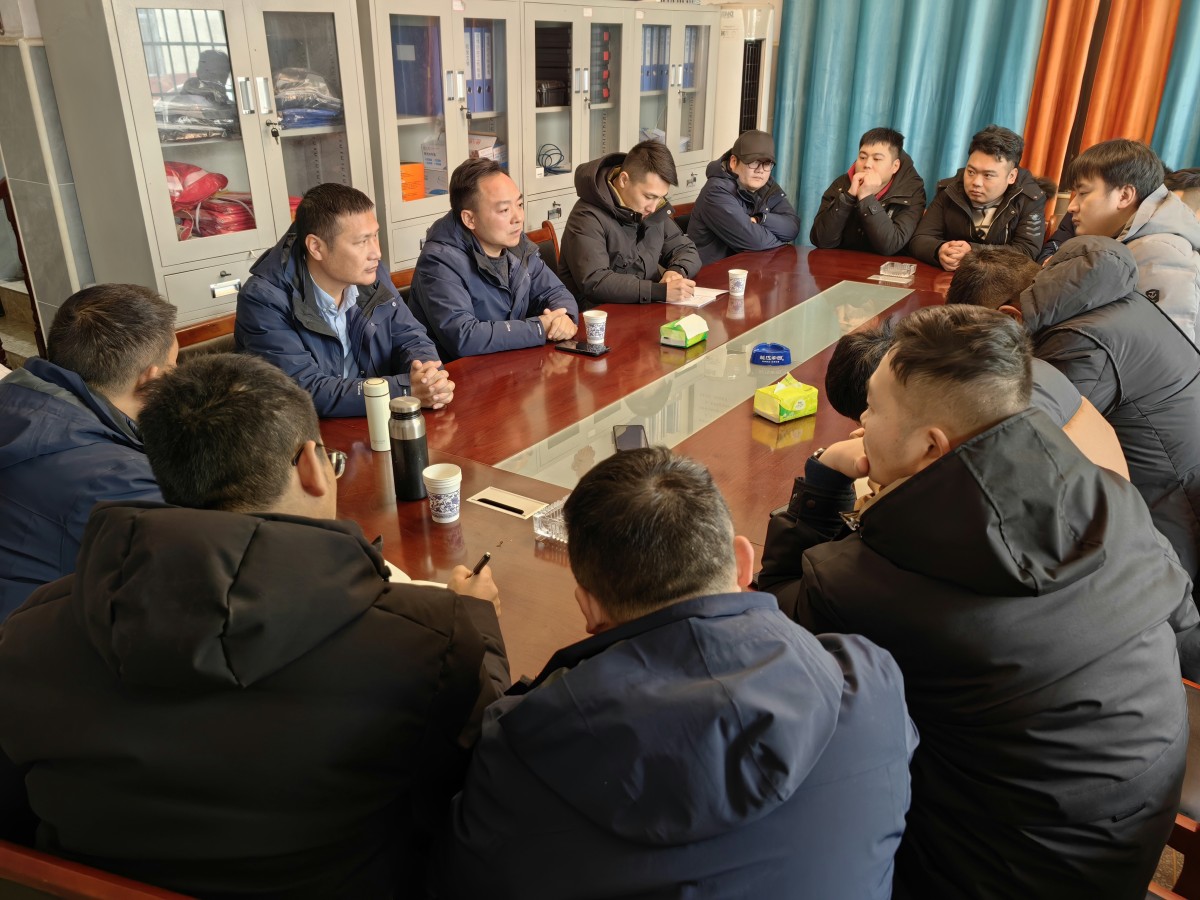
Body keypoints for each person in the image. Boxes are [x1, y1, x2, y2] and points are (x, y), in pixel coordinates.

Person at [0, 353, 508, 898]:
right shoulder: (425, 641)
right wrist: (476, 621)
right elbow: (487, 778)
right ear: (311, 466)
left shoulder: (30, 632)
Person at [758, 304, 1194, 899]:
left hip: (986, 877)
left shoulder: (869, 582)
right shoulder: (1109, 499)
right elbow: (1182, 615)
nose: (861, 419)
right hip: (1127, 847)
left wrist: (823, 482)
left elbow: (774, 628)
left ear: (931, 446)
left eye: (875, 407)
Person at [440, 447, 916, 900]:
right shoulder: (870, 682)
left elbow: (462, 876)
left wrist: (472, 630)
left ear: (588, 606)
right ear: (744, 562)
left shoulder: (530, 747)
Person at [947, 238, 1200, 670]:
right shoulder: (1096, 296)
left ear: (1010, 317)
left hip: (1167, 519)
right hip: (1172, 481)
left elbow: (1023, 451)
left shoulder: (1077, 346)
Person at [0, 284, 175, 620]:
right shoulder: (121, 482)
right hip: (35, 638)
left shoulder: (15, 400)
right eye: (173, 365)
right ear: (151, 380)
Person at [236, 182, 454, 416]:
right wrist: (404, 389)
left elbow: (410, 336)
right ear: (316, 247)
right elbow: (305, 390)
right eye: (361, 241)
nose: (376, 253)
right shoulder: (263, 300)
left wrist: (428, 375)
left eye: (375, 236)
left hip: (373, 417)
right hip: (310, 431)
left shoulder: (371, 274)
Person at [825, 315, 1129, 478]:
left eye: (873, 407)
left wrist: (826, 471)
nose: (864, 422)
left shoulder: (969, 487)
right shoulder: (1010, 374)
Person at [409, 158, 578, 361]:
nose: (518, 218)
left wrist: (563, 318)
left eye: (519, 204)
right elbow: (465, 337)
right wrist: (539, 328)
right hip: (460, 375)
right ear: (469, 219)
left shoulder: (516, 242)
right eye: (504, 210)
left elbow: (555, 291)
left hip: (512, 364)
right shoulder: (438, 262)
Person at [1065, 140, 1200, 342]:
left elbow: (1159, 347)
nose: (1072, 206)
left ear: (1124, 196)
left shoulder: (1159, 252)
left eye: (1083, 193)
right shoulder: (1130, 243)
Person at [558, 140, 702, 308]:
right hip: (600, 315)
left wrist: (676, 271)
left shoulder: (650, 209)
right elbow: (596, 281)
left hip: (644, 309)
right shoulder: (586, 217)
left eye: (660, 197)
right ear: (624, 180)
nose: (653, 207)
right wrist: (659, 291)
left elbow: (686, 249)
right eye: (649, 196)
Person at [908, 124, 1046, 271]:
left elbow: (1027, 252)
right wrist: (939, 250)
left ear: (1011, 176)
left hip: (998, 281)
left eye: (988, 175)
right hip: (947, 278)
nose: (976, 183)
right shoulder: (950, 190)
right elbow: (920, 238)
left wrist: (973, 251)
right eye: (971, 172)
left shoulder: (1029, 198)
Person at [686, 129, 801, 265]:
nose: (760, 170)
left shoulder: (766, 185)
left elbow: (792, 228)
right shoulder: (715, 191)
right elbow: (756, 242)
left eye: (767, 164)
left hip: (747, 269)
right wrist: (781, 239)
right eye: (754, 162)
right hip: (711, 274)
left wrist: (760, 219)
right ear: (733, 162)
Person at [809, 127, 927, 256]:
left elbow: (891, 245)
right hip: (843, 263)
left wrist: (866, 197)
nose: (867, 164)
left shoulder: (912, 191)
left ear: (895, 166)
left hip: (887, 266)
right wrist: (848, 197)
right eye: (862, 157)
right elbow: (821, 240)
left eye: (877, 159)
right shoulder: (842, 184)